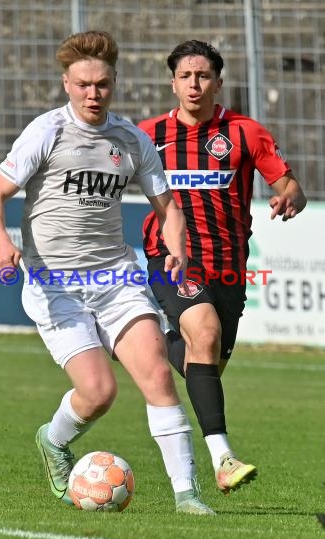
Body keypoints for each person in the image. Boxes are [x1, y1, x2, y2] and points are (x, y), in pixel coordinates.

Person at [0, 31, 216, 516]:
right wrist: (3, 243)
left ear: (114, 83)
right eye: (84, 84)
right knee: (99, 391)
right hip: (56, 286)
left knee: (156, 376)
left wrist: (177, 250)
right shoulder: (47, 133)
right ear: (67, 83)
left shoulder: (130, 139)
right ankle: (53, 440)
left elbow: (169, 209)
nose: (93, 94)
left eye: (102, 84)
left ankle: (188, 496)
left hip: (116, 278)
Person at [138, 39, 307, 494]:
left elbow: (290, 184)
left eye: (204, 76)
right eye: (186, 76)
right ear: (172, 83)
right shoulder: (146, 135)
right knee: (206, 334)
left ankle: (141, 343)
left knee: (205, 358)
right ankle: (223, 458)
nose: (195, 84)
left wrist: (289, 196)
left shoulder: (245, 132)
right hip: (171, 258)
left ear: (218, 81)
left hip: (230, 264)